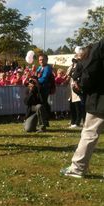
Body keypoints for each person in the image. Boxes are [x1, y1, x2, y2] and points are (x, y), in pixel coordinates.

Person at [60, 38, 104, 178]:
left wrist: (81, 86)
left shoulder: (98, 48)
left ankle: (77, 168)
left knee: (90, 133)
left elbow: (90, 72)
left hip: (100, 97)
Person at [36, 53, 52, 126]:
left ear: (46, 60)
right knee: (41, 104)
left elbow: (44, 78)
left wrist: (36, 81)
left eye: (42, 59)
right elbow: (36, 75)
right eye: (40, 60)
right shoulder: (39, 68)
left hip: (44, 89)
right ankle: (42, 120)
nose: (41, 61)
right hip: (39, 88)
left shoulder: (47, 68)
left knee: (43, 104)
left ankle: (45, 121)